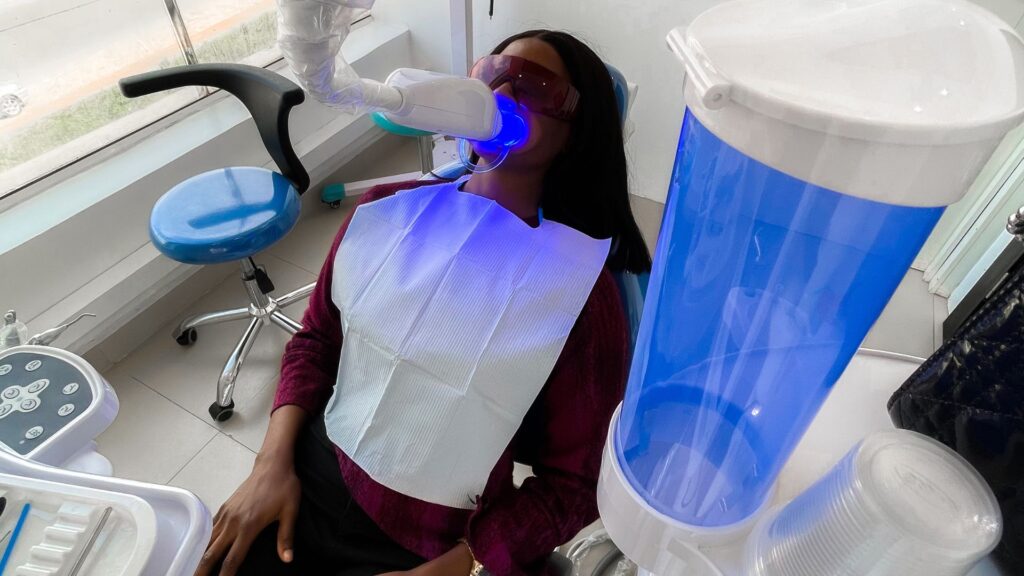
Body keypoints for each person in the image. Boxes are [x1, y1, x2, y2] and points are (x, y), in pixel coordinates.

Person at [195, 29, 652, 576]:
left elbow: (576, 485)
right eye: (490, 75)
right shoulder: (385, 211)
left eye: (533, 86)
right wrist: (269, 466)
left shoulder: (580, 296)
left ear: (577, 132)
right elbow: (315, 342)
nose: (500, 95)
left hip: (439, 542)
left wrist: (461, 565)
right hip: (306, 479)